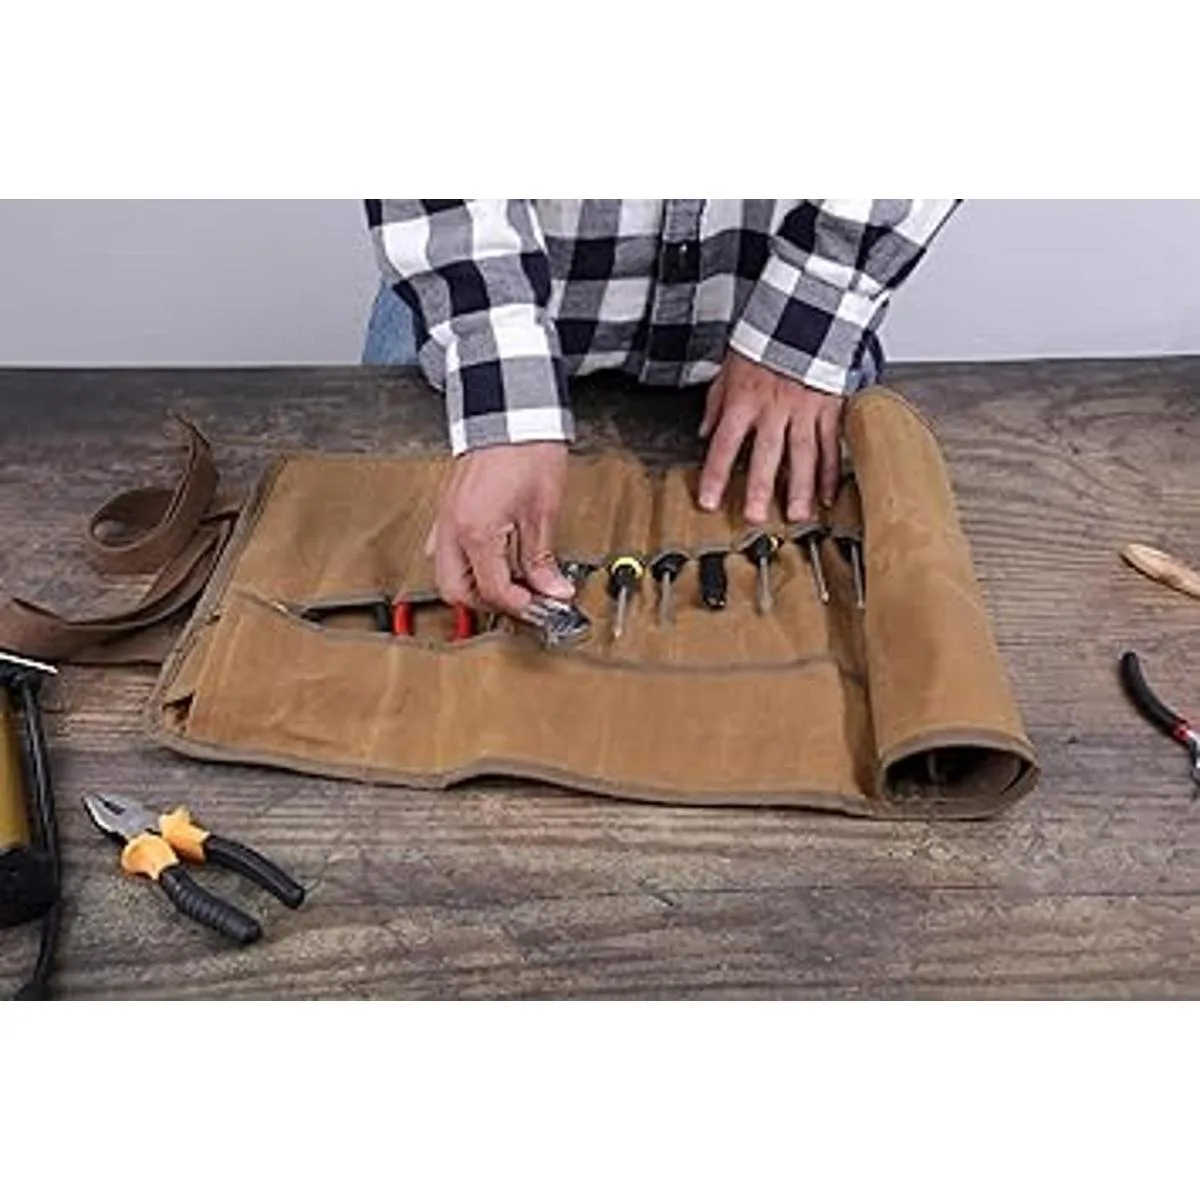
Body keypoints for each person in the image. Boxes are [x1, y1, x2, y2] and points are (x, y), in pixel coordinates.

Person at [364, 199, 957, 618]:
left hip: (792, 351)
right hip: (472, 313)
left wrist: (812, 312)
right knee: (386, 596)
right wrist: (503, 387)